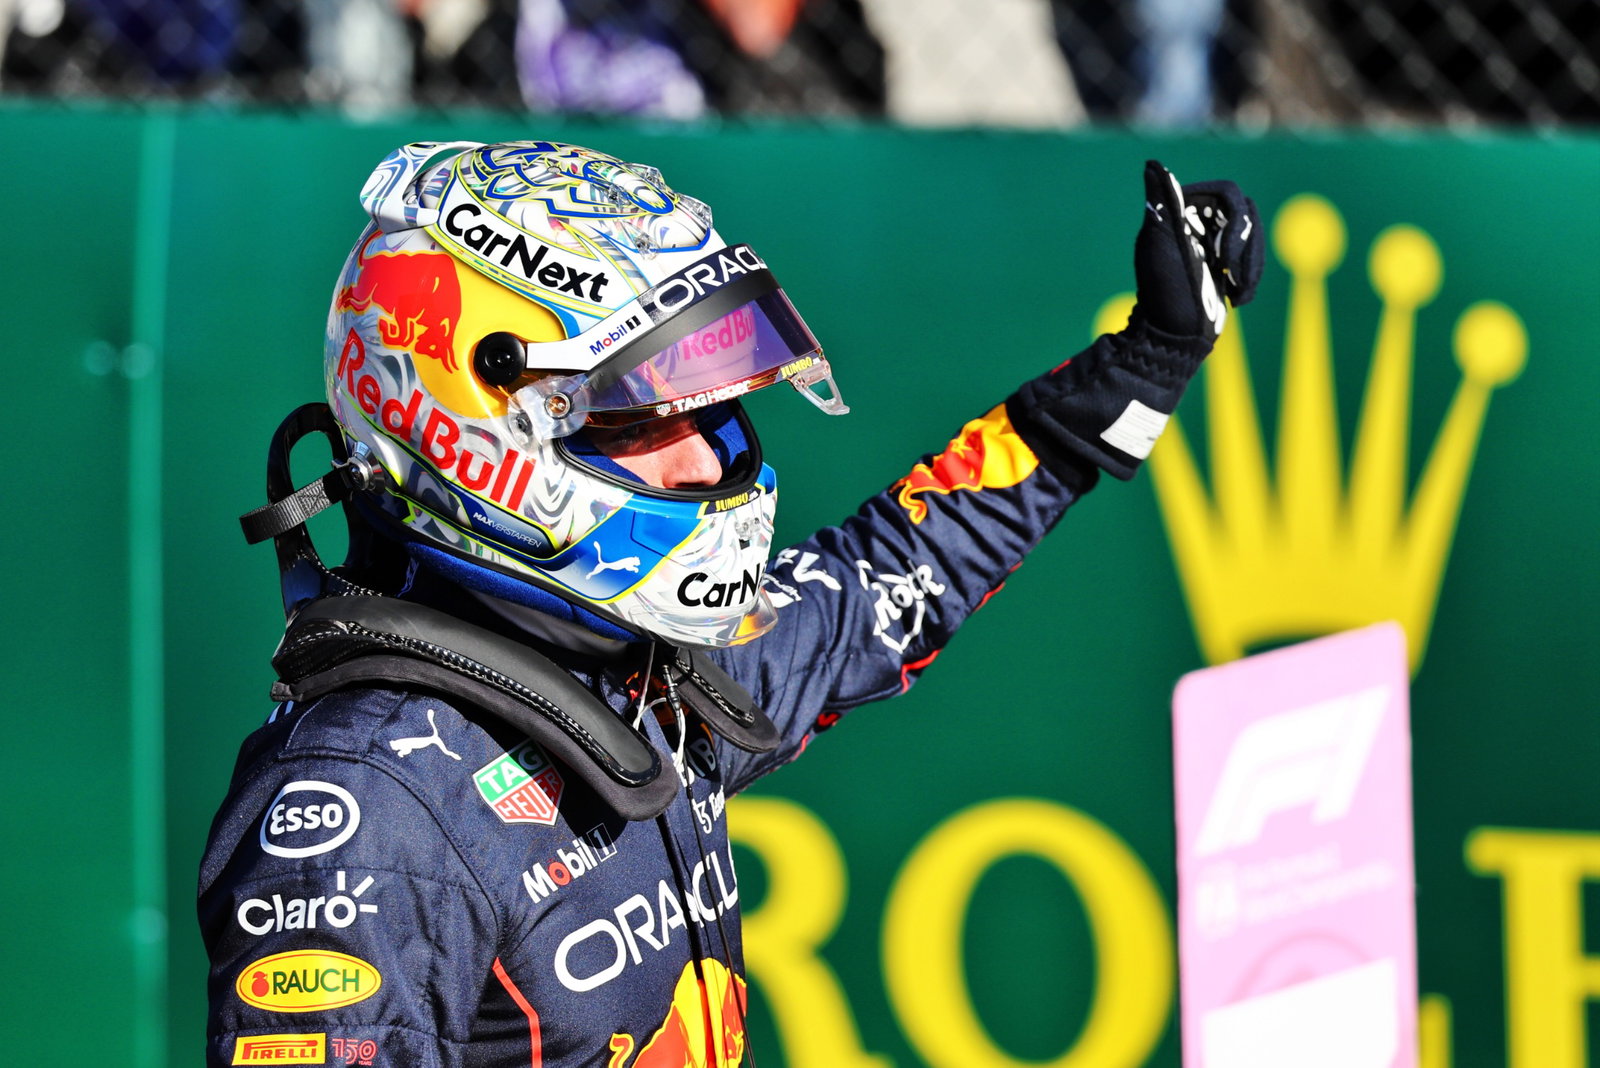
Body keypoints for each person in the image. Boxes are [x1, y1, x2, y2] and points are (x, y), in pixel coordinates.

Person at [199, 139, 1262, 1066]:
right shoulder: (365, 817)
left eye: (715, 409)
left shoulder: (630, 676)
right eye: (638, 418)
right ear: (472, 436)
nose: (707, 456)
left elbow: (887, 578)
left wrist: (1148, 361)